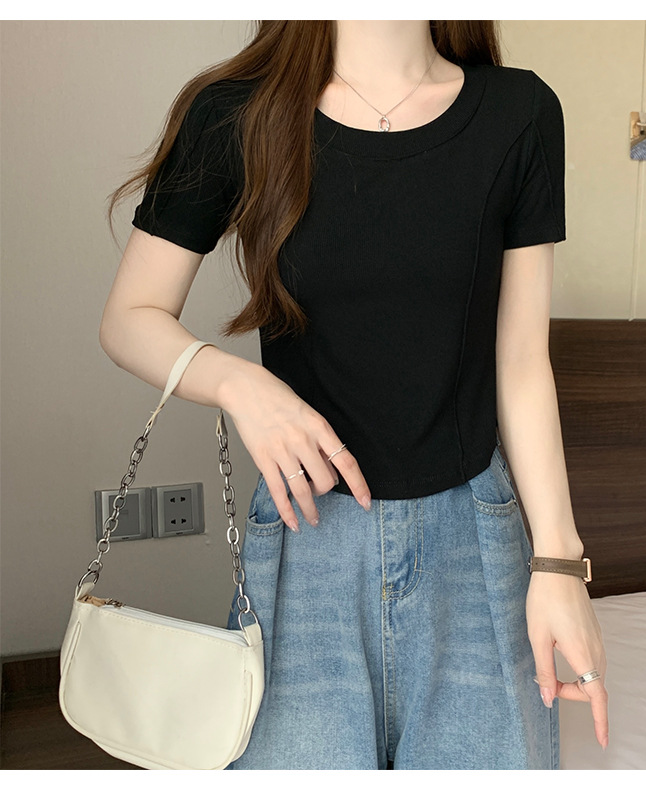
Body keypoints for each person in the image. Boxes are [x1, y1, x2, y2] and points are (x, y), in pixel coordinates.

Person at [102, 20, 608, 770]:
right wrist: (241, 384)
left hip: (473, 538)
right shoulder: (237, 112)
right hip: (307, 535)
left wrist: (560, 563)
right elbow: (129, 317)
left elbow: (523, 359)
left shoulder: (520, 113)